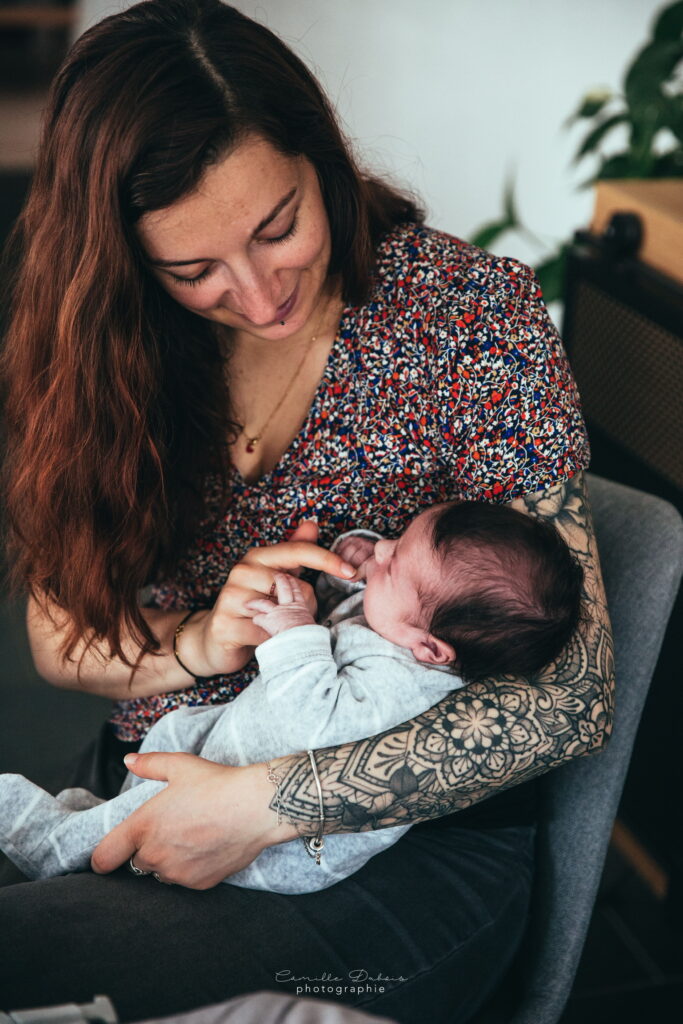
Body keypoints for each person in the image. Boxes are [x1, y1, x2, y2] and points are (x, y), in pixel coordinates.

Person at [0, 1, 614, 1021]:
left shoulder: (467, 321)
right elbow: (61, 640)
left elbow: (571, 691)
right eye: (193, 269)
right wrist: (202, 641)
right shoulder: (115, 348)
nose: (254, 292)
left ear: (320, 159)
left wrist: (264, 807)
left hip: (393, 854)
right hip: (155, 777)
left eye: (277, 227)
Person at [0, 501, 583, 889]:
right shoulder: (406, 619)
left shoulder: (405, 686)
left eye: (394, 558)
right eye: (394, 540)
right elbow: (365, 595)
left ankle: (50, 842)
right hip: (236, 750)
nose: (382, 550)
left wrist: (298, 628)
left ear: (430, 651)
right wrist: (354, 556)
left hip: (275, 848)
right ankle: (99, 822)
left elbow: (311, 720)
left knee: (149, 808)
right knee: (171, 744)